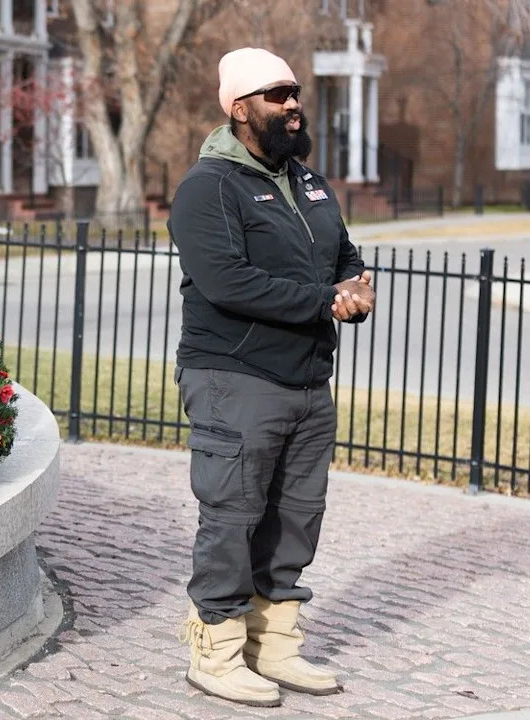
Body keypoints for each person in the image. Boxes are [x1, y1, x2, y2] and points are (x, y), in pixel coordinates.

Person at [169, 47, 375, 708]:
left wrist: (353, 289)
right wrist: (323, 301)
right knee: (232, 516)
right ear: (239, 108)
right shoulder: (208, 187)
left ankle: (275, 644)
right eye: (277, 94)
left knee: (295, 518)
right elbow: (228, 281)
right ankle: (217, 649)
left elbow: (344, 254)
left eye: (295, 93)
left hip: (308, 381)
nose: (293, 105)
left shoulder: (309, 182)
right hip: (235, 378)